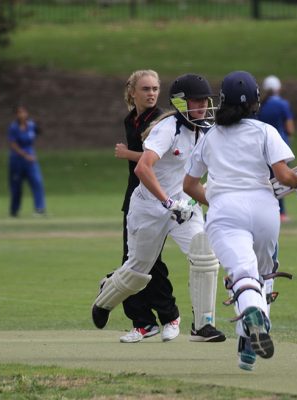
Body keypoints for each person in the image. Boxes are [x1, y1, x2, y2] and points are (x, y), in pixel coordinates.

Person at [183, 71, 297, 371]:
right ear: (255, 102)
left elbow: (190, 186)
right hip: (265, 209)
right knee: (264, 274)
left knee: (243, 274)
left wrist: (217, 200)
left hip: (225, 212)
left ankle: (251, 317)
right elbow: (284, 176)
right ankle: (248, 344)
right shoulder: (265, 132)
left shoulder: (210, 136)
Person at [92, 73, 226, 343]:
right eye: (196, 102)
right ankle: (106, 298)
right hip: (149, 207)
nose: (202, 107)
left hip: (184, 207)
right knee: (138, 269)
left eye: (204, 102)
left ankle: (203, 326)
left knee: (204, 253)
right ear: (180, 104)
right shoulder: (168, 128)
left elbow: (208, 176)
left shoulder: (207, 132)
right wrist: (168, 202)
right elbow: (143, 168)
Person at [114, 70, 181, 343]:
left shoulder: (162, 120)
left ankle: (166, 316)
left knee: (146, 262)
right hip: (135, 198)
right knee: (133, 260)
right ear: (133, 93)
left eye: (155, 88)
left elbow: (159, 157)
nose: (152, 93)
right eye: (146, 89)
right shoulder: (131, 120)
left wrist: (127, 154)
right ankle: (145, 322)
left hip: (160, 198)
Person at [258, 75, 295, 222]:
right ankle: (280, 212)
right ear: (278, 88)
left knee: (266, 179)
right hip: (280, 147)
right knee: (281, 179)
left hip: (261, 146)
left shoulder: (261, 105)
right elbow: (290, 128)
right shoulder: (283, 104)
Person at [8, 105, 46, 217]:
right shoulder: (13, 127)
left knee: (37, 182)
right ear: (16, 115)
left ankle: (39, 209)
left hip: (31, 160)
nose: (22, 115)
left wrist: (39, 123)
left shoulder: (31, 125)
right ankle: (14, 210)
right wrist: (25, 155)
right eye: (19, 113)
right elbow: (13, 144)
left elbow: (39, 131)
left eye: (24, 112)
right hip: (17, 160)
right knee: (16, 186)